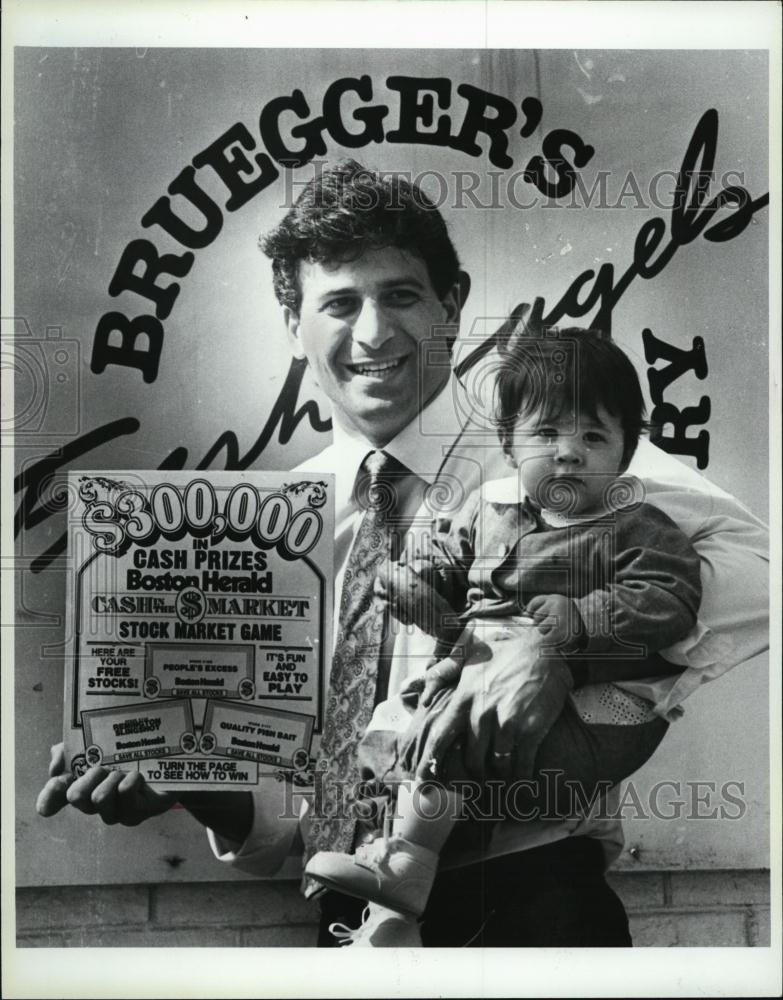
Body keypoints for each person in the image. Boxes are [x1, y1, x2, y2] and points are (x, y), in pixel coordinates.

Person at [37, 159, 769, 948]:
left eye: (401, 295)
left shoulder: (545, 454)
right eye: (339, 303)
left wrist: (555, 641)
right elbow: (288, 826)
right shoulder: (272, 528)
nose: (374, 333)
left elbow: (759, 576)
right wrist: (192, 781)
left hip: (533, 910)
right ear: (293, 326)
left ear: (450, 305)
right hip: (350, 924)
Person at [303, 327, 703, 944]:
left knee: (458, 741)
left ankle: (405, 872)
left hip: (577, 713)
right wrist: (416, 584)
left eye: (593, 436)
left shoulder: (636, 526)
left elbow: (670, 598)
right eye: (547, 434)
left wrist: (583, 621)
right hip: (469, 674)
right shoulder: (487, 510)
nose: (569, 452)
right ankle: (391, 902)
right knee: (400, 722)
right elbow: (444, 561)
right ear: (511, 446)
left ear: (625, 454)